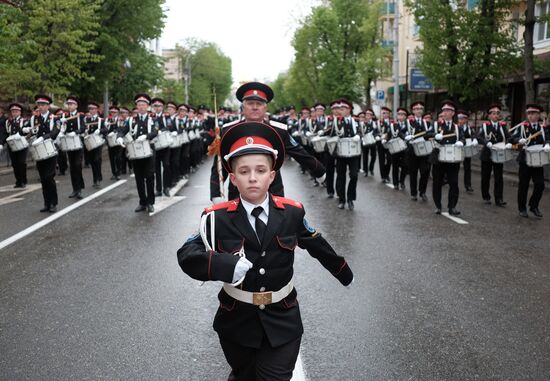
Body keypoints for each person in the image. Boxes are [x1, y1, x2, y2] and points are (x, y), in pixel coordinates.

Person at [177, 121, 353, 381]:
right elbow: (186, 255)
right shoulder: (217, 218)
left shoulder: (291, 211)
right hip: (236, 321)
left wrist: (342, 272)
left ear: (272, 175)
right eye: (244, 171)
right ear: (233, 178)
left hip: (283, 316)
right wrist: (223, 265)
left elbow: (316, 243)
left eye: (260, 170)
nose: (252, 177)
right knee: (244, 376)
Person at [210, 82, 325, 203]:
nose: (255, 107)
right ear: (243, 107)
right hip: (239, 192)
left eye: (259, 104)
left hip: (273, 191)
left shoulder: (278, 130)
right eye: (250, 103)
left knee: (275, 222)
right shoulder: (229, 130)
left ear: (265, 108)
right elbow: (219, 164)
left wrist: (319, 170)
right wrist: (216, 193)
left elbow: (298, 152)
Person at [118, 94, 158, 213]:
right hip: (135, 151)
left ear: (147, 106)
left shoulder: (153, 119)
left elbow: (156, 131)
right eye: (139, 105)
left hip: (149, 151)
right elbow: (122, 131)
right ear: (136, 106)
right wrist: (119, 138)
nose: (141, 107)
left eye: (143, 105)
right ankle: (142, 202)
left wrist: (146, 136)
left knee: (149, 177)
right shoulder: (131, 120)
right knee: (139, 178)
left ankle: (150, 202)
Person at [510, 103, 550, 218]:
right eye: (529, 113)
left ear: (538, 115)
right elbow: (511, 138)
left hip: (538, 161)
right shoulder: (523, 127)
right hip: (525, 160)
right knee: (523, 185)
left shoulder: (543, 128)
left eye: (534, 113)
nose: (531, 116)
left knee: (540, 184)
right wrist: (519, 140)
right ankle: (522, 208)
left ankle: (533, 206)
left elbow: (547, 138)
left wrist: (547, 145)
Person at [431, 100, 464, 216]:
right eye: (443, 110)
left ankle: (452, 207)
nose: (444, 112)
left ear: (453, 113)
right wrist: (435, 136)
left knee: (454, 183)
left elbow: (463, 138)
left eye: (447, 110)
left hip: (453, 159)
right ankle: (438, 206)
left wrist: (461, 142)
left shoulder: (457, 127)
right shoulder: (436, 125)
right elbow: (427, 135)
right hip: (439, 157)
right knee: (437, 183)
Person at [29, 95, 60, 212]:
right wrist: (26, 131)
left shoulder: (54, 118)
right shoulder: (34, 119)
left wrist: (44, 137)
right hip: (39, 152)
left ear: (48, 106)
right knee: (43, 178)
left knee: (49, 177)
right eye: (39, 105)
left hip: (50, 151)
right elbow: (26, 130)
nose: (40, 107)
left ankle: (53, 203)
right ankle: (47, 203)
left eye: (43, 105)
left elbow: (55, 132)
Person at [477, 104, 510, 207]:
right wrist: (486, 143)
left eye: (498, 113)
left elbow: (509, 136)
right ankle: (486, 196)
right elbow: (478, 137)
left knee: (499, 177)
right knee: (485, 177)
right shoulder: (485, 126)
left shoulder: (503, 126)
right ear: (489, 115)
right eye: (494, 113)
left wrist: (509, 142)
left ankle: (499, 198)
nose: (496, 115)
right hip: (487, 154)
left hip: (498, 154)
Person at [333, 99, 361, 210]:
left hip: (354, 153)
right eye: (339, 109)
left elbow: (360, 131)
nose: (340, 111)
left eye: (342, 109)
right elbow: (331, 132)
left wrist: (358, 135)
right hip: (341, 153)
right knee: (341, 176)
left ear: (349, 110)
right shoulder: (337, 121)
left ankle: (350, 199)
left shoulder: (356, 121)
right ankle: (341, 199)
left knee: (354, 176)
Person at [405, 101, 433, 201]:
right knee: (413, 172)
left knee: (425, 171)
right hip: (412, 151)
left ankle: (422, 191)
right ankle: (413, 193)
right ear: (413, 111)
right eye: (416, 109)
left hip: (425, 151)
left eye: (421, 108)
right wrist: (406, 137)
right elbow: (400, 132)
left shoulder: (428, 123)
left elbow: (431, 133)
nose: (419, 110)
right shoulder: (408, 123)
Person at [59, 96, 86, 199]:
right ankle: (75, 189)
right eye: (68, 104)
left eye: (72, 104)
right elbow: (63, 129)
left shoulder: (80, 116)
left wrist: (75, 132)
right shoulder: (65, 116)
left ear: (76, 105)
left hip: (78, 143)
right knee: (72, 167)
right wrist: (62, 131)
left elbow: (83, 128)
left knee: (77, 165)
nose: (70, 106)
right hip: (69, 144)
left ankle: (79, 189)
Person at [0, 103, 29, 188]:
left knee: (21, 163)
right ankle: (18, 181)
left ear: (20, 112)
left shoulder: (24, 121)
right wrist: (1, 143)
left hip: (22, 145)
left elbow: (27, 132)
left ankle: (23, 180)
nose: (14, 113)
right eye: (13, 111)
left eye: (16, 111)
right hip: (11, 145)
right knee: (14, 164)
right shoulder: (8, 122)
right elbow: (5, 133)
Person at [151, 98, 172, 197]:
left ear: (162, 107)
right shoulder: (151, 116)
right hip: (155, 145)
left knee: (167, 165)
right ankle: (158, 189)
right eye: (155, 106)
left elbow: (169, 126)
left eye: (159, 106)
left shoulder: (166, 116)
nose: (157, 108)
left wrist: (161, 130)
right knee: (157, 168)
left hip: (164, 144)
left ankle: (166, 187)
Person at [84, 102, 108, 188]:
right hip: (89, 142)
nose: (91, 110)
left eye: (93, 109)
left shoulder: (100, 120)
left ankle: (97, 179)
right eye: (90, 109)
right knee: (92, 161)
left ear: (96, 110)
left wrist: (100, 131)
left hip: (98, 142)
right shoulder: (87, 120)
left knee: (97, 159)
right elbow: (83, 129)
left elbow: (106, 129)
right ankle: (96, 178)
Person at [457, 110, 475, 193]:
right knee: (454, 167)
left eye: (462, 118)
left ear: (466, 119)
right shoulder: (456, 127)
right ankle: (449, 180)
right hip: (457, 149)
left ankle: (468, 185)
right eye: (459, 118)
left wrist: (474, 140)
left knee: (467, 168)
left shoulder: (470, 128)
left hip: (467, 149)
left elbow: (474, 136)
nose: (460, 120)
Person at [360, 109, 378, 177]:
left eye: (370, 114)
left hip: (372, 141)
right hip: (365, 141)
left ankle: (371, 168)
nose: (368, 115)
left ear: (372, 116)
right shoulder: (362, 123)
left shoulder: (374, 123)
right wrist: (361, 138)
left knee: (374, 156)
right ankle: (365, 170)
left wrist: (376, 136)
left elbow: (376, 131)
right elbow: (360, 131)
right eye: (367, 114)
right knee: (365, 157)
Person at [377, 107, 393, 183]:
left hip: (389, 143)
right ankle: (383, 176)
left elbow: (393, 132)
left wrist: (387, 138)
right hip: (381, 143)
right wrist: (376, 136)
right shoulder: (378, 122)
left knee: (389, 160)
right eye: (383, 113)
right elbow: (375, 131)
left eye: (386, 113)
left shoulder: (392, 122)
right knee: (381, 160)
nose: (385, 114)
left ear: (389, 114)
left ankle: (386, 174)